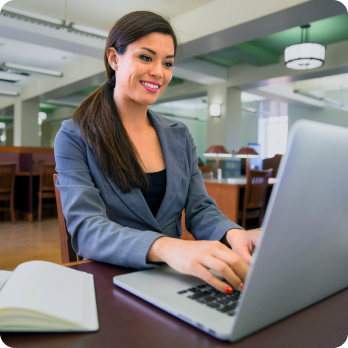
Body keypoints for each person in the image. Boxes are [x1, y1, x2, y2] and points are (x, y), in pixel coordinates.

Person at [54, 11, 260, 294]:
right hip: (110, 282)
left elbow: (199, 209)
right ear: (114, 58)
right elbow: (86, 227)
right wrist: (165, 247)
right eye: (146, 57)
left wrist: (235, 234)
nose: (159, 72)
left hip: (172, 279)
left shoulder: (179, 135)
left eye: (168, 63)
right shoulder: (74, 134)